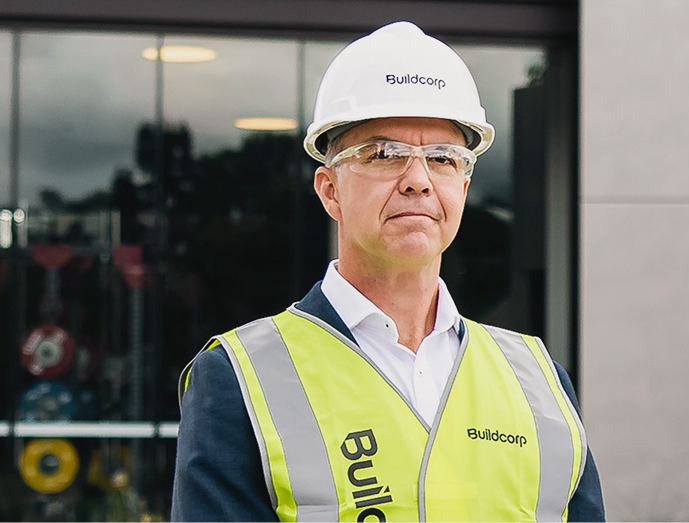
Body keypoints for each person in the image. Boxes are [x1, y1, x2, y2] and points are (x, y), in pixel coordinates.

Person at [171, 20, 605, 522]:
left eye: (443, 157)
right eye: (384, 154)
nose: (418, 180)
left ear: (463, 188)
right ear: (329, 189)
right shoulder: (239, 379)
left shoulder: (540, 380)